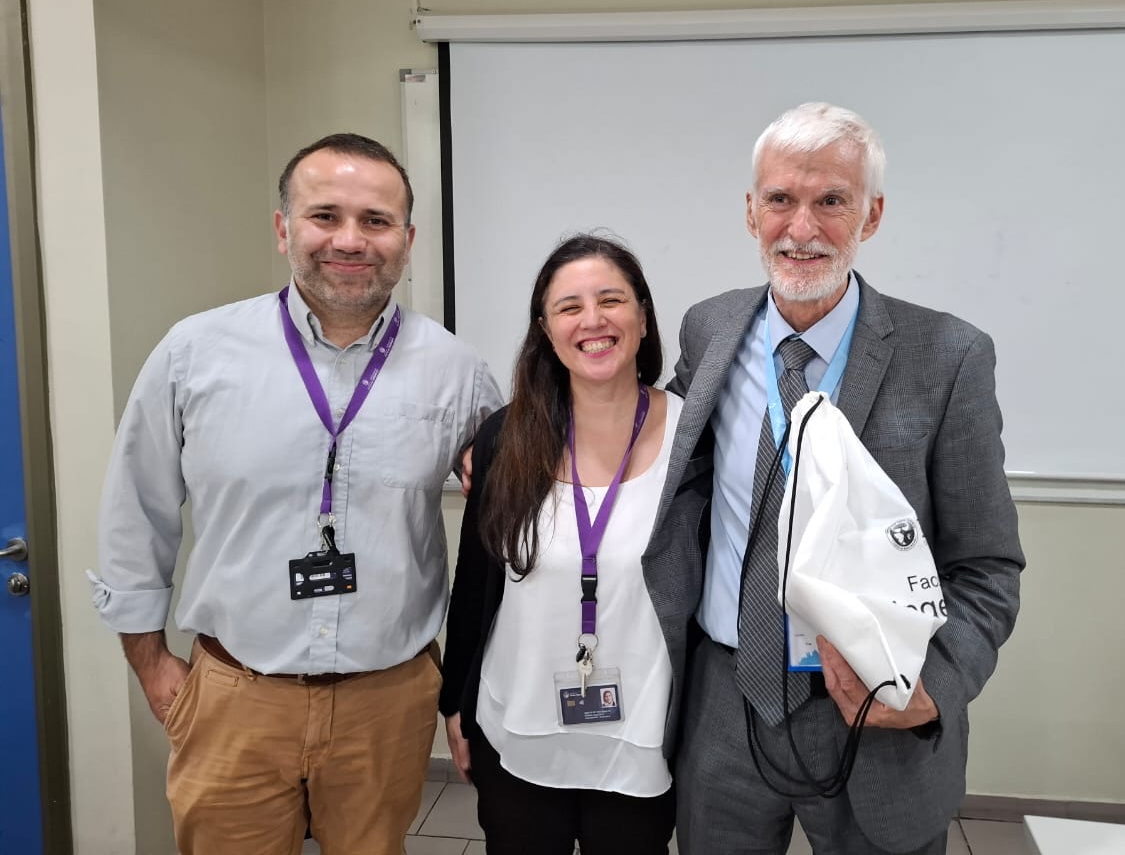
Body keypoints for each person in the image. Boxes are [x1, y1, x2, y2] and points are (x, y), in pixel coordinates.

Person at [89, 133, 502, 855]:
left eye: (376, 221)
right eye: (325, 216)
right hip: (235, 695)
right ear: (284, 228)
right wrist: (151, 665)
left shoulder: (456, 371)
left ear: (407, 241)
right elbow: (136, 512)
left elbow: (509, 509)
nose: (350, 240)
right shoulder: (194, 354)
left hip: (387, 701)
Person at [660, 103, 1025, 854]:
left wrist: (934, 688)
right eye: (780, 199)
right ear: (751, 211)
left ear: (872, 214)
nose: (801, 228)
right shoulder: (708, 328)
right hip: (725, 701)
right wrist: (510, 445)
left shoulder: (948, 356)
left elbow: (987, 565)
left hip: (872, 709)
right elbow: (654, 447)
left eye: (831, 200)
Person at [440, 234, 708, 855]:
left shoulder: (696, 439)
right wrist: (456, 701)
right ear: (546, 330)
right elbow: (476, 580)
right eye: (569, 307)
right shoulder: (507, 435)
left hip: (643, 738)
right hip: (519, 728)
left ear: (643, 317)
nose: (592, 320)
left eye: (611, 300)